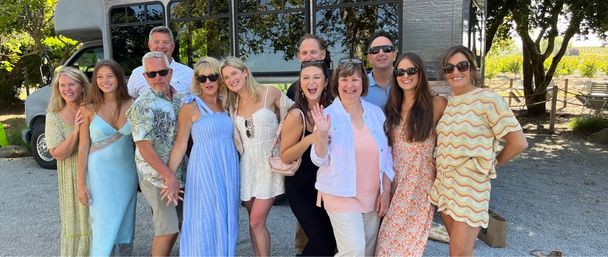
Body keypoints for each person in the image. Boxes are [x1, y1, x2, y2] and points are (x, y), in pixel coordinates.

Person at [429, 45, 528, 256]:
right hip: (445, 186)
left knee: (458, 253)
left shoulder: (488, 100)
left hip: (470, 189)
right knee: (460, 250)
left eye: (462, 66)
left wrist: (494, 163)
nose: (455, 72)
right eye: (449, 68)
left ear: (472, 69)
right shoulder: (450, 103)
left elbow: (518, 142)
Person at [310, 58, 394, 256]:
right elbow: (319, 160)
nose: (349, 85)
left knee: (367, 250)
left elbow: (388, 154)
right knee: (353, 251)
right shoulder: (327, 116)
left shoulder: (376, 114)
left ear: (363, 83)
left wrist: (386, 189)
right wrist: (321, 135)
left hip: (373, 196)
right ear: (336, 84)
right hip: (340, 194)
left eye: (355, 79)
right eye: (344, 80)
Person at [375, 53, 447, 257]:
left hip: (419, 187)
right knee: (384, 245)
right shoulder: (392, 107)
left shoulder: (437, 104)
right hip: (393, 182)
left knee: (401, 249)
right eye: (400, 72)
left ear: (420, 73)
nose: (405, 76)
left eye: (411, 70)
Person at [167, 57, 240, 256]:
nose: (208, 82)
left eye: (213, 77)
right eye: (202, 78)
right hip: (204, 169)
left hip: (228, 169)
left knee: (226, 215)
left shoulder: (227, 103)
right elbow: (181, 144)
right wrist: (169, 177)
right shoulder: (190, 106)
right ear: (197, 81)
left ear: (220, 79)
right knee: (204, 215)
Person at [221, 56, 293, 256]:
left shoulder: (270, 92)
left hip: (268, 165)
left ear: (245, 72)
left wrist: (283, 137)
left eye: (234, 73)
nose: (231, 79)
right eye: (226, 77)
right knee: (254, 222)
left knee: (256, 221)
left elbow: (294, 112)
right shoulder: (231, 103)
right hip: (247, 166)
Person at [127, 51, 187, 256]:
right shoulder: (142, 106)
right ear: (145, 77)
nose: (158, 78)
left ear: (170, 72)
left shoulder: (181, 99)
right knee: (167, 229)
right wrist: (168, 176)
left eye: (162, 72)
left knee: (181, 224)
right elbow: (144, 148)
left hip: (180, 174)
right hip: (156, 177)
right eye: (152, 74)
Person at [75, 60, 138, 256]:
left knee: (125, 221)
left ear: (119, 78)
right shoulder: (87, 108)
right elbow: (83, 147)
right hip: (99, 175)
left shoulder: (134, 104)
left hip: (127, 174)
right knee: (102, 222)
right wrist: (81, 184)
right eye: (100, 77)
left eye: (109, 76)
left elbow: (142, 142)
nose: (105, 81)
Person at [279, 60, 336, 256]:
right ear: (300, 83)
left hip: (327, 188)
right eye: (306, 78)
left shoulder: (333, 109)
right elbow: (285, 156)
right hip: (302, 189)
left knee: (331, 241)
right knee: (322, 242)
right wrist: (312, 137)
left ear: (326, 82)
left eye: (316, 77)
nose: (311, 82)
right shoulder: (296, 115)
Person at [45, 67, 92, 257]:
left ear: (82, 86)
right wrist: (75, 132)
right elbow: (57, 153)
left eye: (72, 84)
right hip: (71, 175)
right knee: (78, 219)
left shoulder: (93, 108)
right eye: (62, 85)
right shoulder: (54, 116)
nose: (67, 89)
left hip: (96, 169)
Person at [127, 26, 193, 98]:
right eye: (156, 42)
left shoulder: (189, 74)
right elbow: (128, 102)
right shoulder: (137, 74)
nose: (161, 46)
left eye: (165, 42)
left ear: (173, 46)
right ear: (149, 45)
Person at [286, 34, 332, 100]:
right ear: (299, 57)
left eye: (313, 52)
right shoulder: (293, 90)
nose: (309, 57)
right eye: (304, 53)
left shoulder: (338, 81)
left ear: (323, 54)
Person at [362, 31, 398, 109]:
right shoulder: (360, 86)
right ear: (369, 58)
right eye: (375, 50)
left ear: (394, 55)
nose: (381, 53)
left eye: (387, 49)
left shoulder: (405, 81)